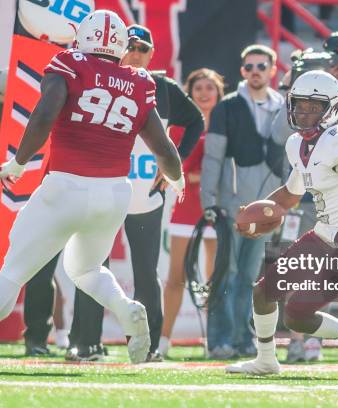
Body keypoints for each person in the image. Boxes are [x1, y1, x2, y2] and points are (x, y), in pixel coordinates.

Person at [0, 10, 183, 370]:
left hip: (67, 184)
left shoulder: (69, 62)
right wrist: (178, 177)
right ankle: (126, 311)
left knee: (14, 271)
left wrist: (17, 163)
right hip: (113, 193)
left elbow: (45, 114)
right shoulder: (139, 81)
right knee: (86, 268)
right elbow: (164, 148)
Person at [226, 70, 338, 377]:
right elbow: (289, 194)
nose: (304, 112)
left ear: (332, 108)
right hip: (322, 235)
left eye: (314, 107)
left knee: (297, 315)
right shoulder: (296, 143)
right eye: (299, 105)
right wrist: (256, 214)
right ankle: (266, 360)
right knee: (263, 293)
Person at [120, 24, 204, 360]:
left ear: (153, 53)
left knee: (145, 271)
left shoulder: (163, 87)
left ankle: (151, 345)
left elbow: (196, 121)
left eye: (143, 48)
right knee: (93, 266)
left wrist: (174, 166)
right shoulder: (103, 78)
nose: (136, 53)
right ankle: (86, 343)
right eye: (131, 47)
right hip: (107, 188)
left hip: (146, 193)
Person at [201, 44, 285, 359]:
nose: (255, 72)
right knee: (229, 273)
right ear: (242, 71)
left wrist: (285, 202)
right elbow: (212, 157)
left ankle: (243, 339)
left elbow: (289, 158)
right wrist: (209, 201)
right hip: (231, 207)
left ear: (272, 69)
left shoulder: (284, 106)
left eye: (261, 66)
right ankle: (219, 340)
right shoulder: (227, 106)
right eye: (249, 67)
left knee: (251, 277)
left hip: (268, 208)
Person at [159, 68, 224, 357]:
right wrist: (205, 177)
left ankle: (213, 339)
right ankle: (163, 339)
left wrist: (204, 177)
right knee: (176, 277)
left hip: (217, 209)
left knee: (214, 278)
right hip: (186, 209)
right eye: (198, 87)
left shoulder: (226, 123)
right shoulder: (182, 127)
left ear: (219, 92)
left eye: (210, 87)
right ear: (190, 92)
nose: (204, 92)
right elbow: (176, 169)